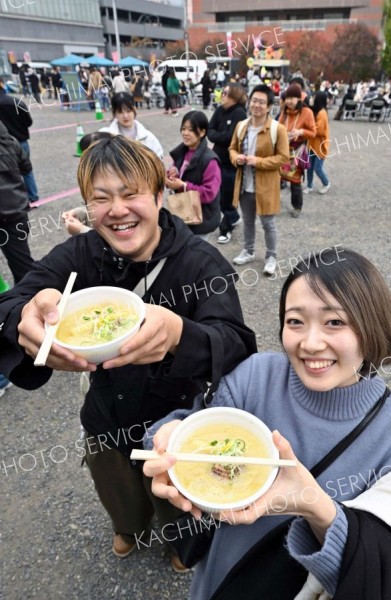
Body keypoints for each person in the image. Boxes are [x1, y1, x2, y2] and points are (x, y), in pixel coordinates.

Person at [0, 136, 257, 569]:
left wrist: (179, 334)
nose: (116, 211)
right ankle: (128, 527)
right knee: (119, 494)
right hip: (106, 417)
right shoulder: (81, 253)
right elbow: (13, 302)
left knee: (181, 511)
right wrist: (23, 315)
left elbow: (237, 345)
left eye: (131, 193)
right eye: (100, 199)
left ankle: (181, 547)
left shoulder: (201, 262)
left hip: (179, 428)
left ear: (159, 195)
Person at [144, 247, 391, 600]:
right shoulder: (256, 376)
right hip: (219, 582)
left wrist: (315, 507)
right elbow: (189, 425)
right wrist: (167, 437)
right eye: (295, 321)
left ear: (372, 325)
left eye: (335, 322)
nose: (310, 343)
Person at [229, 84, 290, 276]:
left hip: (266, 186)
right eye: (254, 100)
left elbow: (283, 157)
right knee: (248, 221)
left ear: (269, 106)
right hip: (245, 184)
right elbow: (231, 148)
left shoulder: (276, 129)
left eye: (261, 102)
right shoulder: (241, 126)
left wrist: (259, 161)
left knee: (268, 223)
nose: (257, 105)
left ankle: (271, 256)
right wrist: (235, 157)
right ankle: (248, 250)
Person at [166, 110, 221, 240]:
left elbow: (209, 193)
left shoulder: (210, 160)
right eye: (183, 128)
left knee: (196, 255)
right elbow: (177, 171)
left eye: (191, 130)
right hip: (184, 212)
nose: (185, 133)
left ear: (202, 132)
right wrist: (171, 175)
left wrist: (183, 185)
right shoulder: (181, 152)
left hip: (202, 217)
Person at [208, 83, 247, 244]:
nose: (222, 95)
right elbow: (209, 132)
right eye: (222, 93)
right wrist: (220, 135)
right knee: (217, 194)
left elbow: (232, 138)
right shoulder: (219, 111)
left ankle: (226, 228)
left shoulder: (239, 113)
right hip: (217, 159)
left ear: (234, 96)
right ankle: (234, 217)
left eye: (225, 93)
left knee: (228, 196)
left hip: (232, 162)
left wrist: (219, 135)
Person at [0, 120, 34, 283]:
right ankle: (28, 297)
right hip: (15, 210)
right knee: (21, 262)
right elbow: (26, 167)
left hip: (10, 212)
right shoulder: (11, 142)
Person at [278, 83, 316, 218]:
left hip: (297, 150)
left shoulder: (307, 112)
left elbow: (313, 132)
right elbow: (278, 126)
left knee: (295, 181)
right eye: (287, 98)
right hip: (283, 149)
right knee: (277, 177)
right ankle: (274, 203)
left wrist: (300, 131)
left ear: (299, 99)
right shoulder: (284, 111)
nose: (289, 101)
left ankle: (297, 206)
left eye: (292, 98)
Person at [0, 77, 39, 205]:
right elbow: (28, 122)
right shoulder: (16, 102)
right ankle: (33, 195)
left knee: (7, 173)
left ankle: (13, 199)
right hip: (21, 141)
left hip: (2, 144)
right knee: (26, 169)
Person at [100, 92, 163, 159]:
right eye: (120, 112)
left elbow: (159, 158)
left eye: (128, 111)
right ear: (114, 113)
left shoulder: (147, 136)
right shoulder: (105, 136)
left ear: (134, 110)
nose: (125, 116)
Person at [305, 91, 331, 195]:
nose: (312, 99)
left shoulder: (322, 113)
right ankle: (309, 186)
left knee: (317, 168)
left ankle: (326, 183)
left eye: (314, 97)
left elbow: (319, 130)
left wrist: (307, 130)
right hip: (312, 145)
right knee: (310, 167)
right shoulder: (317, 111)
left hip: (320, 145)